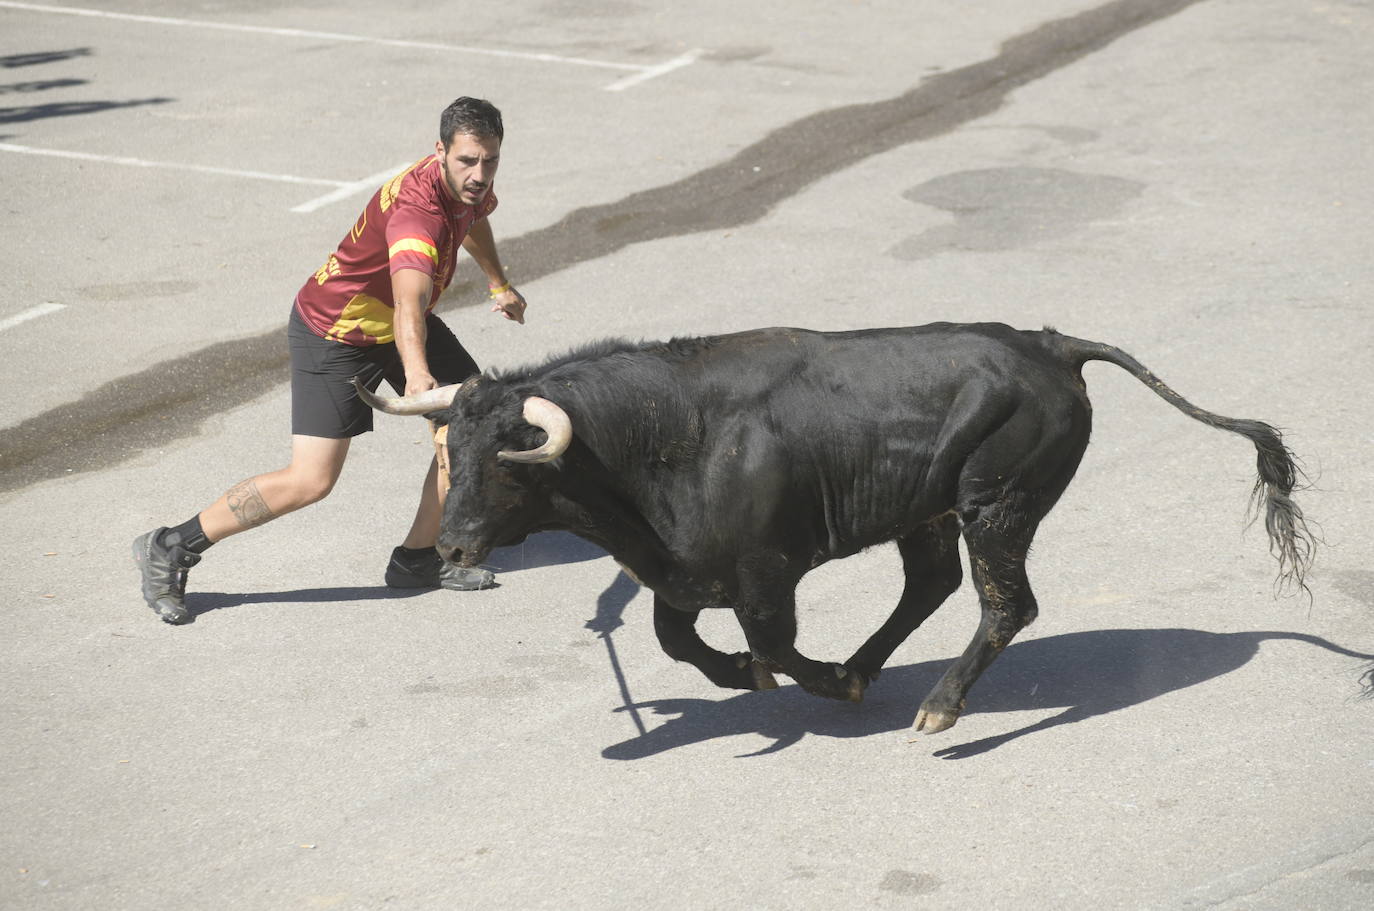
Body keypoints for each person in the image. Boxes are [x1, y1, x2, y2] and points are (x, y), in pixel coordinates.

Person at [134, 96, 525, 624]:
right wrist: (417, 376)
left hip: (393, 322)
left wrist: (498, 282)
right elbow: (408, 305)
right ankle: (171, 545)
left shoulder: (467, 185)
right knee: (311, 480)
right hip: (337, 332)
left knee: (470, 426)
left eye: (490, 160)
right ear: (440, 151)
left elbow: (473, 218)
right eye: (468, 161)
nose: (479, 174)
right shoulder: (417, 216)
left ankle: (419, 559)